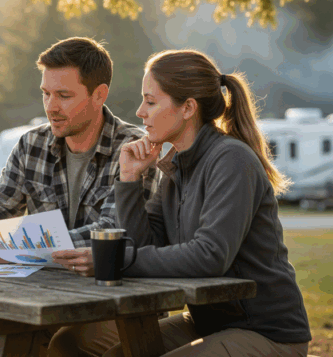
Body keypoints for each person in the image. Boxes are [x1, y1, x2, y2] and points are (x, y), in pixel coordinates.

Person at [48, 49, 311, 357]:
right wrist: (130, 180)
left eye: (150, 101)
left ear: (187, 108)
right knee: (78, 346)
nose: (140, 112)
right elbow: (146, 242)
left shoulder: (231, 160)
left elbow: (210, 256)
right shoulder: (176, 167)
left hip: (266, 333)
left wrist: (118, 260)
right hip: (209, 324)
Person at [0, 37, 157, 357]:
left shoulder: (134, 150)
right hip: (42, 294)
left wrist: (16, 247)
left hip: (114, 299)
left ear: (100, 95)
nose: (51, 107)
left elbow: (113, 233)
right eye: (46, 93)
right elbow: (0, 202)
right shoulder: (32, 144)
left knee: (69, 345)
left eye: (64, 95)